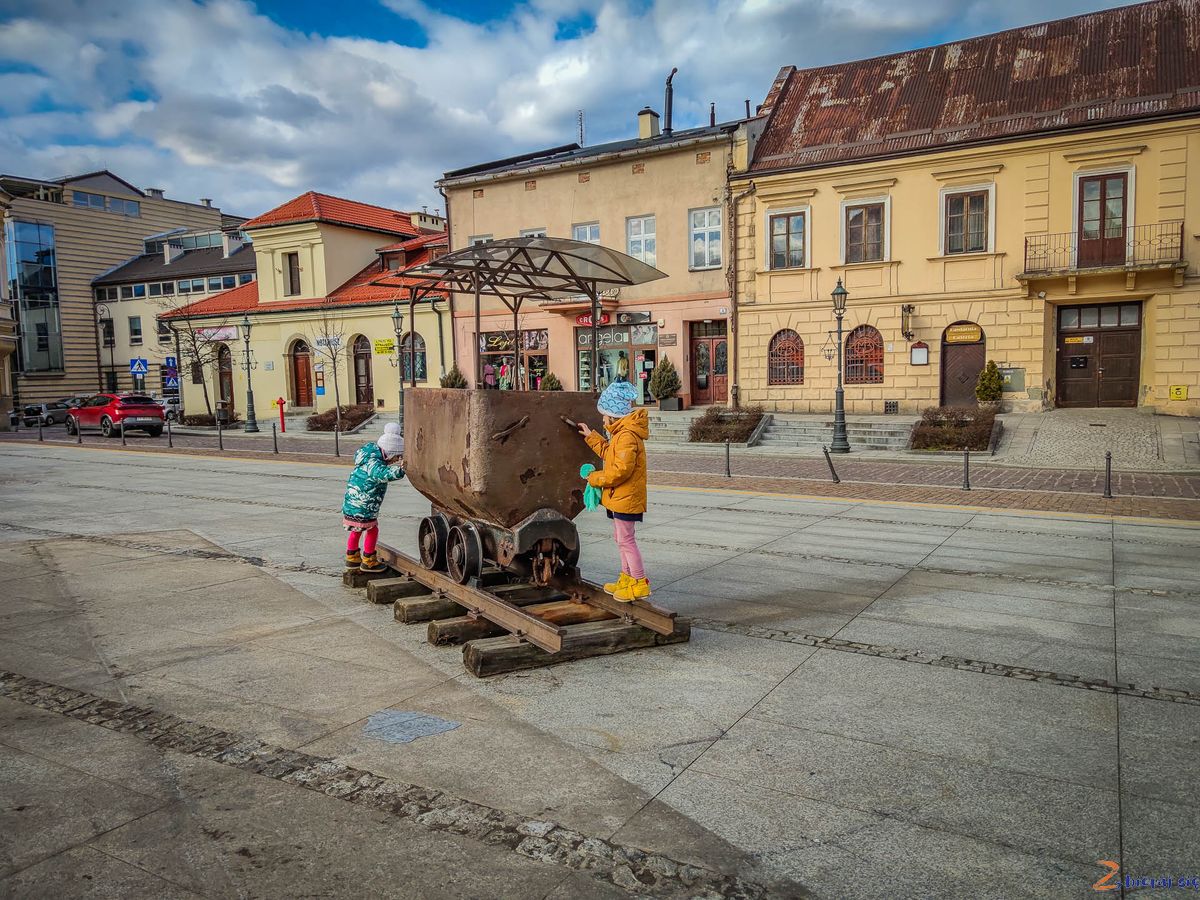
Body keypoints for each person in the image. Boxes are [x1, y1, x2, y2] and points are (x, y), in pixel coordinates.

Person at [576, 380, 650, 601]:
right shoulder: (620, 434)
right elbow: (609, 454)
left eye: (604, 415)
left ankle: (639, 581)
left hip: (626, 497)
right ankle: (627, 578)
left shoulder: (627, 436)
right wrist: (591, 436)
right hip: (620, 497)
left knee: (626, 540)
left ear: (613, 415)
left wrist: (595, 478)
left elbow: (621, 470)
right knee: (621, 538)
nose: (602, 419)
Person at [343, 422, 405, 572]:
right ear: (390, 452)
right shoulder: (374, 465)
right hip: (364, 504)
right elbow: (383, 474)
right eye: (396, 456)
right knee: (372, 529)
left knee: (355, 529)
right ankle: (369, 560)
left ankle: (351, 557)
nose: (396, 460)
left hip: (352, 502)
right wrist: (402, 470)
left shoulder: (368, 455)